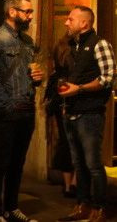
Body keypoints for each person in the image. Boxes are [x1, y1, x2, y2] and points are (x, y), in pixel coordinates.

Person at [0, 0, 44, 222]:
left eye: (31, 12)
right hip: (7, 111)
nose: (30, 16)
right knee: (1, 163)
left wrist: (37, 78)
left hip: (27, 108)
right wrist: (6, 105)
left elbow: (29, 73)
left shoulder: (27, 41)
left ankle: (12, 207)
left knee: (18, 163)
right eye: (27, 11)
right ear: (12, 12)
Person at [56, 6, 115, 222]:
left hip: (90, 114)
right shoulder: (74, 46)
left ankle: (99, 208)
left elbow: (108, 78)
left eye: (70, 19)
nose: (66, 22)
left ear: (84, 23)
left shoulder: (99, 44)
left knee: (93, 164)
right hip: (71, 112)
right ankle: (83, 204)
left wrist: (79, 89)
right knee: (79, 164)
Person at [44, 34, 75, 198]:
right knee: (75, 142)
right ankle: (74, 183)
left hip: (58, 103)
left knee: (65, 141)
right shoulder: (73, 73)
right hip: (70, 103)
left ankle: (68, 185)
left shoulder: (56, 75)